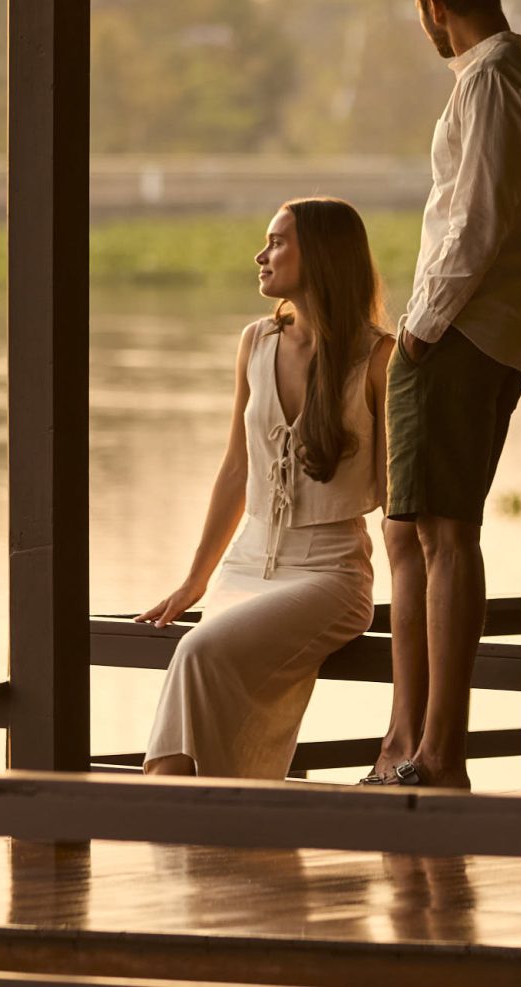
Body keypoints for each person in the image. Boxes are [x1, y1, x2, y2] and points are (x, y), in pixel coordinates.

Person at [368, 0, 521, 790]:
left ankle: (436, 752)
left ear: (434, 7)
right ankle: (406, 743)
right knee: (411, 529)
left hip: (458, 334)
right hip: (494, 334)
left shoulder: (490, 83)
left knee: (443, 534)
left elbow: (474, 221)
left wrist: (419, 328)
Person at [136, 197, 396, 780]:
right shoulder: (256, 342)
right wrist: (196, 579)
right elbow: (235, 468)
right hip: (244, 567)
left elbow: (396, 495)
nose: (262, 254)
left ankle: (172, 812)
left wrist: (415, 603)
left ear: (323, 256)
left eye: (277, 241)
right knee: (201, 669)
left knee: (200, 653)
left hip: (330, 574)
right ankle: (197, 826)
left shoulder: (380, 358)